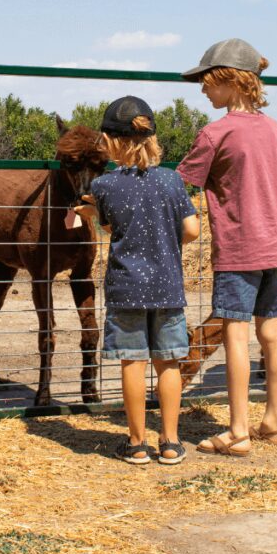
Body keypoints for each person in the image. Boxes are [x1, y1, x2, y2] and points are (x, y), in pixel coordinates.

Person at [177, 38, 277, 457]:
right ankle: (274, 422)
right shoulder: (276, 129)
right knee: (272, 333)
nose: (202, 89)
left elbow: (182, 182)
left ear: (230, 81)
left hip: (238, 249)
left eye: (207, 81)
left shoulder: (216, 132)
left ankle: (237, 432)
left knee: (235, 335)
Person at [76, 96, 200, 465]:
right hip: (167, 286)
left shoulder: (104, 186)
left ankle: (136, 443)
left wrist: (91, 214)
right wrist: (163, 234)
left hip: (126, 287)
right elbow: (192, 229)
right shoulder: (172, 181)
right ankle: (172, 442)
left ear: (111, 141)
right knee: (169, 363)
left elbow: (114, 227)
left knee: (132, 362)